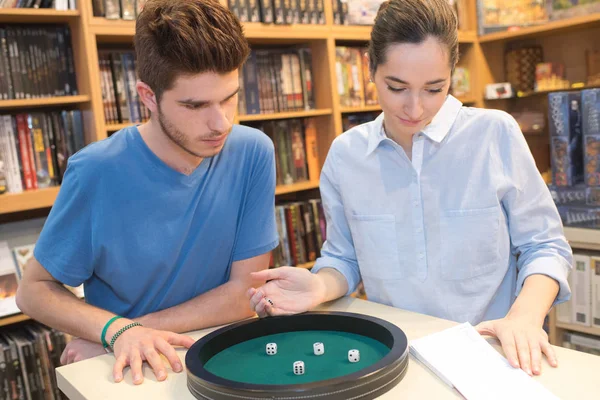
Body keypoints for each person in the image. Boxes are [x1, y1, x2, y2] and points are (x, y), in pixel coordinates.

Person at [248, 0, 572, 378]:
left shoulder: (494, 133)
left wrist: (524, 318)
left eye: (434, 89)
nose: (415, 109)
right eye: (396, 87)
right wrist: (318, 286)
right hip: (396, 357)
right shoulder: (346, 155)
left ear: (452, 73)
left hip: (493, 352)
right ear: (370, 69)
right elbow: (346, 259)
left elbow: (544, 245)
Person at [16, 0, 278, 385]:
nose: (220, 122)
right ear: (148, 96)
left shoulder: (254, 151)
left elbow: (244, 295)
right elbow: (33, 291)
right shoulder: (96, 171)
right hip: (135, 374)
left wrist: (120, 333)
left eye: (228, 97)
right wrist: (121, 336)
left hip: (224, 356)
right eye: (195, 104)